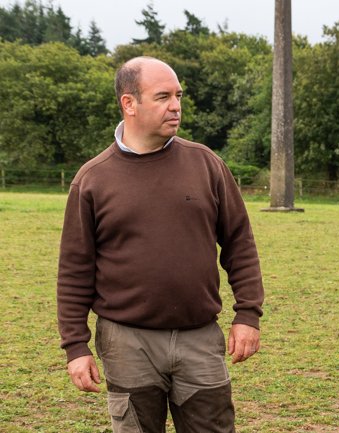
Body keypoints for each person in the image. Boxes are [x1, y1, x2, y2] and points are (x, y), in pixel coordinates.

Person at [57, 56, 264, 433]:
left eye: (178, 96)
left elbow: (240, 244)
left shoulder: (206, 164)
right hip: (126, 342)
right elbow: (74, 271)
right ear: (129, 103)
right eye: (163, 96)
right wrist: (76, 347)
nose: (176, 106)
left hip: (200, 337)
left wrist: (248, 315)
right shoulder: (93, 179)